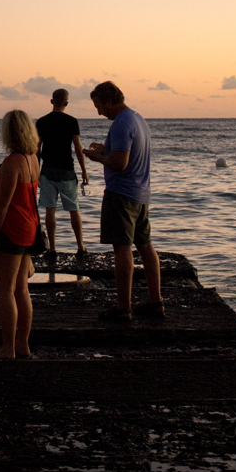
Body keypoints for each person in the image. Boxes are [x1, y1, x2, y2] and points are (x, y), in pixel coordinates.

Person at [83, 81, 163, 323]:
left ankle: (123, 307)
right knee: (146, 246)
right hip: (141, 194)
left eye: (99, 106)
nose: (98, 112)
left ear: (109, 101)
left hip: (121, 194)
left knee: (122, 248)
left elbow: (120, 163)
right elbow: (127, 153)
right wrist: (106, 148)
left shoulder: (121, 123)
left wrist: (97, 157)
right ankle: (155, 302)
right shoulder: (137, 119)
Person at [0, 110, 41, 359]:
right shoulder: (33, 159)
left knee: (5, 290)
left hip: (12, 229)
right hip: (30, 227)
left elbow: (2, 205)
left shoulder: (12, 163)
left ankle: (8, 348)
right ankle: (22, 345)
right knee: (22, 290)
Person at [35, 88, 89, 259]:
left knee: (50, 210)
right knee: (74, 209)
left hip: (47, 170)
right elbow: (78, 149)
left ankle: (52, 249)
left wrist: (36, 170)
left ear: (52, 101)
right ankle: (80, 247)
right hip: (67, 170)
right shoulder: (72, 121)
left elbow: (37, 149)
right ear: (66, 103)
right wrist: (84, 171)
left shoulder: (42, 122)